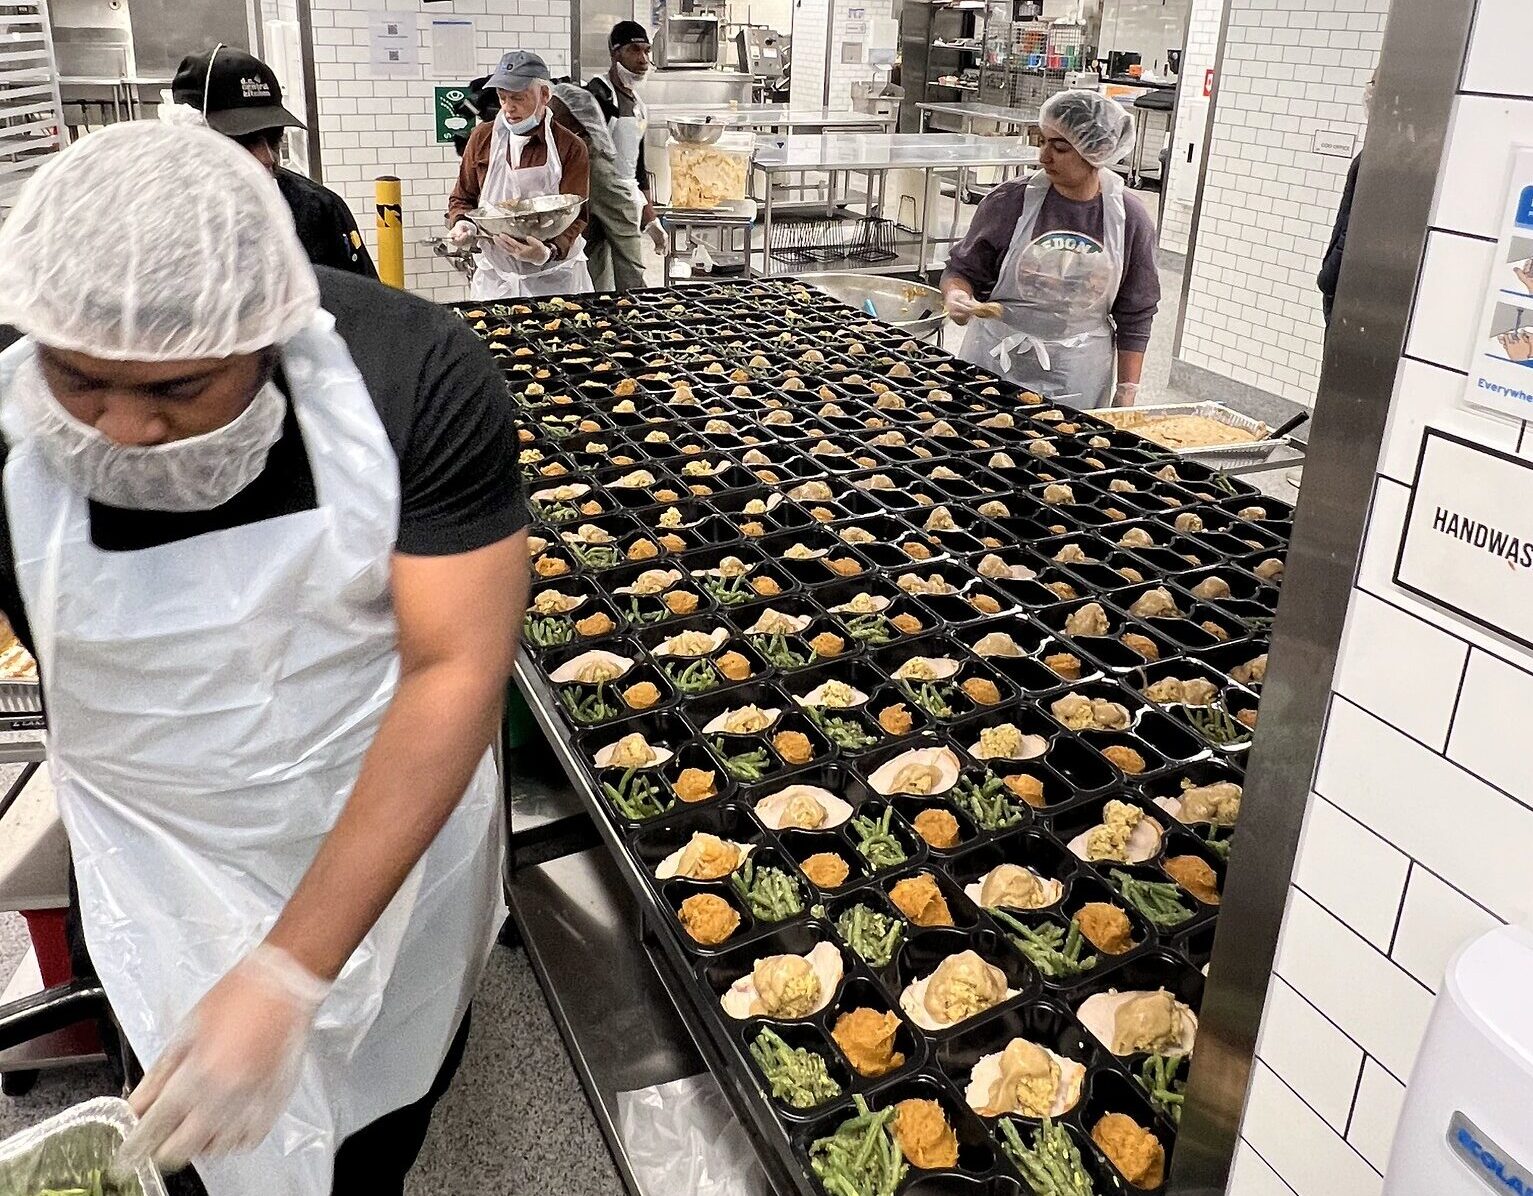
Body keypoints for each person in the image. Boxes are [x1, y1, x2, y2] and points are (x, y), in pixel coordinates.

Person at [0, 121, 527, 1195]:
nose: (125, 429)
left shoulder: (412, 375)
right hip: (161, 866)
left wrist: (290, 967)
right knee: (198, 1150)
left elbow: (454, 669)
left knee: (381, 1116)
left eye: (179, 390)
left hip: (386, 836)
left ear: (266, 331)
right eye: (81, 380)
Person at [942, 90, 1160, 409]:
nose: (1044, 157)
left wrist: (1127, 389)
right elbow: (961, 270)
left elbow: (1136, 313)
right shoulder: (1010, 202)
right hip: (993, 367)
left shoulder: (1129, 219)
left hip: (1077, 374)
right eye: (1043, 142)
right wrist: (956, 295)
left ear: (1095, 151)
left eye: (1059, 148)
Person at [170, 45, 376, 279]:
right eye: (245, 140)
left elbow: (366, 305)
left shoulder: (317, 209)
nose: (267, 157)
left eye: (273, 137)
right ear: (194, 136)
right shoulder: (161, 218)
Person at [447, 50, 592, 298]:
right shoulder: (482, 138)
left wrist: (547, 252)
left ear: (544, 95)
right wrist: (463, 223)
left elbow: (578, 215)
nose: (508, 108)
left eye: (518, 98)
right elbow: (462, 198)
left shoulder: (569, 146)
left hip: (555, 279)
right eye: (502, 98)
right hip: (496, 279)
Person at [586, 21, 667, 290]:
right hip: (594, 197)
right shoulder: (598, 96)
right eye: (634, 50)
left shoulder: (639, 106)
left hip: (625, 198)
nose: (643, 60)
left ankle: (628, 324)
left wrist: (651, 217)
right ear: (615, 53)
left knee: (627, 274)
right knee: (597, 272)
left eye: (646, 51)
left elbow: (638, 167)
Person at [551, 83, 640, 292]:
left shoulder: (594, 167)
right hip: (560, 275)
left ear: (577, 126)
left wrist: (635, 298)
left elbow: (626, 238)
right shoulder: (559, 158)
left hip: (588, 283)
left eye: (554, 120)